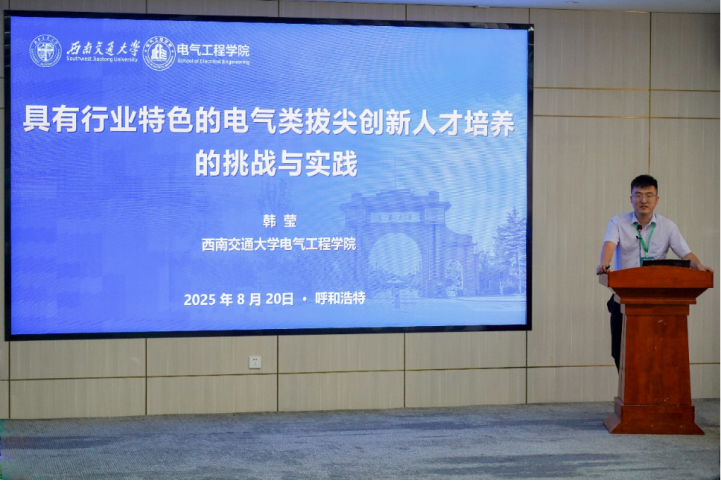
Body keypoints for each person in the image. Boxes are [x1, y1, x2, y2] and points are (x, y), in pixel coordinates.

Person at [596, 174, 714, 371]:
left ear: (656, 199)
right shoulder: (617, 222)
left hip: (658, 300)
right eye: (638, 195)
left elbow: (685, 253)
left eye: (649, 195)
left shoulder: (668, 226)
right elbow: (609, 245)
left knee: (656, 354)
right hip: (624, 298)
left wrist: (700, 266)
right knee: (620, 352)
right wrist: (604, 263)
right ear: (631, 198)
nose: (644, 200)